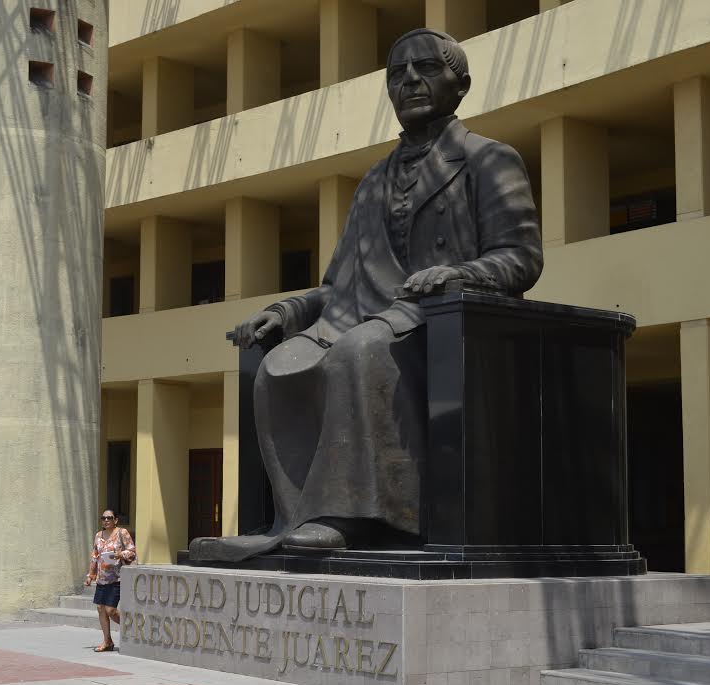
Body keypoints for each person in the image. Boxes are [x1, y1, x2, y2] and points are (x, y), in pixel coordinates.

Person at [189, 28, 542, 562]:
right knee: (280, 363)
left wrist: (458, 274)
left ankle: (353, 516)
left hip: (446, 323)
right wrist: (285, 311)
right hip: (368, 315)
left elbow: (522, 259)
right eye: (397, 75)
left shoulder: (488, 160)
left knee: (362, 351)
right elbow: (336, 285)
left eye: (426, 69)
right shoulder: (374, 181)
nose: (411, 82)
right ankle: (295, 515)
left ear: (460, 85)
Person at [84, 510, 135, 652]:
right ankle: (107, 641)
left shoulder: (121, 533)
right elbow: (95, 556)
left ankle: (130, 629)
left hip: (117, 577)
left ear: (116, 520)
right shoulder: (98, 536)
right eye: (103, 518)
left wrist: (119, 554)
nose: (106, 520)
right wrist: (90, 575)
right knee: (100, 608)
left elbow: (132, 551)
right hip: (102, 578)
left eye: (109, 518)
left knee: (111, 610)